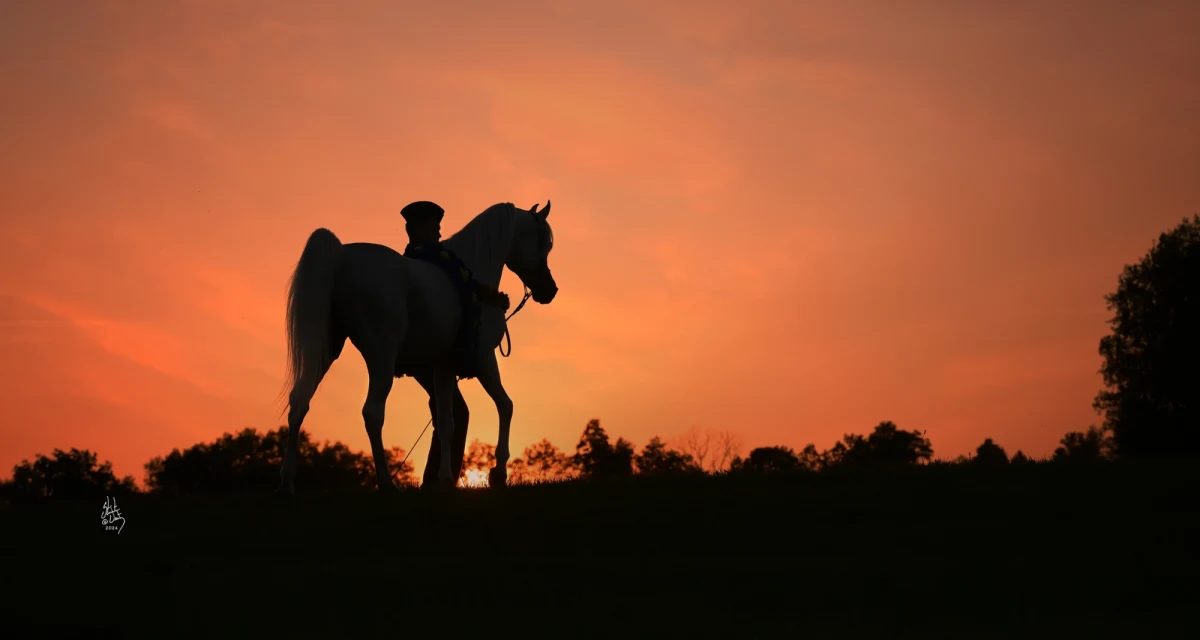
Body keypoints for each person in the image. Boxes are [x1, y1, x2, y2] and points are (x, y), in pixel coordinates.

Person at [400, 200, 509, 486]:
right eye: (435, 228)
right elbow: (464, 289)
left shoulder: (421, 262)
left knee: (449, 409)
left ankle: (438, 477)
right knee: (456, 412)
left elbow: (467, 287)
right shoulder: (434, 263)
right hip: (429, 352)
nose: (438, 234)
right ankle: (438, 481)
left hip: (428, 351)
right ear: (420, 229)